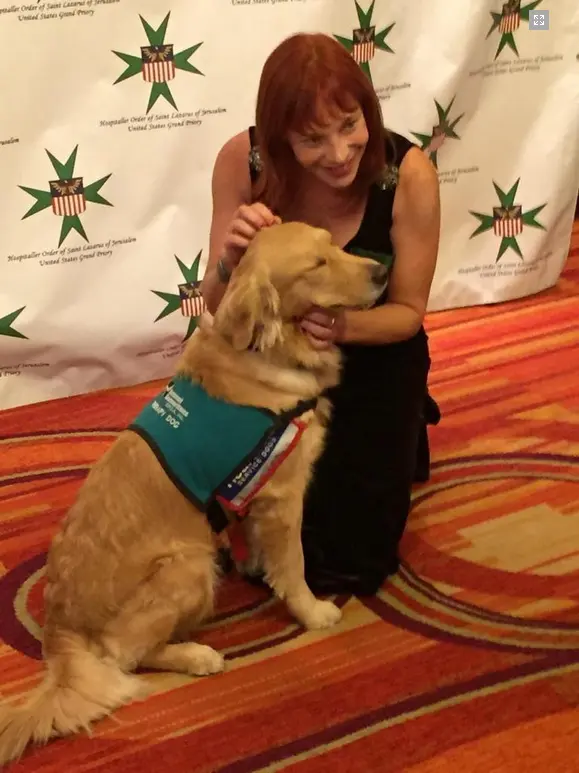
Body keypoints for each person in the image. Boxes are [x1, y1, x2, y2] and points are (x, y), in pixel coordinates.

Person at [201, 32, 441, 595]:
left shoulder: (409, 173)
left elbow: (407, 312)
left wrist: (342, 327)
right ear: (280, 139)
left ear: (368, 111)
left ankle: (404, 430)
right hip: (270, 363)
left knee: (348, 560)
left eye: (350, 124)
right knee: (202, 491)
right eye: (311, 139)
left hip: (371, 354)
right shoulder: (244, 161)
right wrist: (229, 262)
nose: (338, 153)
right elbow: (215, 309)